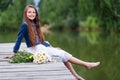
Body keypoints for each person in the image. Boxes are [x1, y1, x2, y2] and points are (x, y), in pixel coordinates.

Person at [8, 5, 100, 80]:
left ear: (36, 14)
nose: (32, 14)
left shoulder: (35, 24)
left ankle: (77, 76)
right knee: (62, 53)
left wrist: (51, 47)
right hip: (34, 50)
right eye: (29, 12)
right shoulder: (25, 25)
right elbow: (19, 39)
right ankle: (85, 65)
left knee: (62, 54)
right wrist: (14, 52)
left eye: (33, 12)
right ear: (25, 13)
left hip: (40, 47)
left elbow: (41, 41)